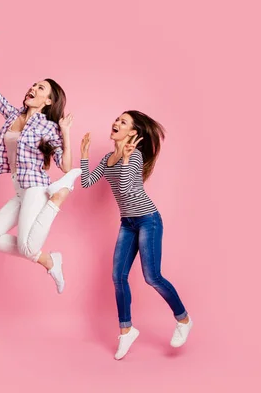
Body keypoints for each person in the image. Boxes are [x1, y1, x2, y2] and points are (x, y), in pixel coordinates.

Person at [0, 34, 82, 294]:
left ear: (49, 101)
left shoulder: (48, 126)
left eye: (41, 88)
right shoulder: (13, 114)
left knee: (27, 247)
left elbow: (65, 165)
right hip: (20, 189)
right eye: (34, 84)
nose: (33, 88)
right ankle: (51, 260)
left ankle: (56, 199)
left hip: (36, 187)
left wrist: (65, 132)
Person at [80, 110, 193, 359]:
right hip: (128, 222)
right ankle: (126, 330)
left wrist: (126, 160)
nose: (116, 122)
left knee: (152, 276)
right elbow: (87, 182)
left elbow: (127, 188)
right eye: (116, 119)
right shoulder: (109, 157)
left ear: (132, 132)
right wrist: (85, 155)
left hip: (148, 220)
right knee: (118, 276)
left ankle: (183, 320)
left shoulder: (135, 155)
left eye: (123, 122)